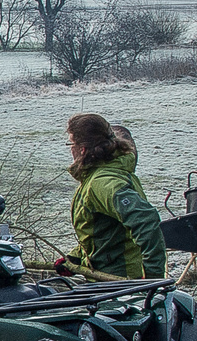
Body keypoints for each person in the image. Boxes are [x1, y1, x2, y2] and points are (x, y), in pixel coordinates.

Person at [58, 113, 167, 280]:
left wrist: (153, 278)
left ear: (82, 149)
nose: (70, 149)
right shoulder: (108, 172)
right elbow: (105, 233)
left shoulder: (102, 183)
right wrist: (75, 259)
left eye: (71, 143)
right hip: (107, 279)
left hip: (117, 284)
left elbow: (146, 219)